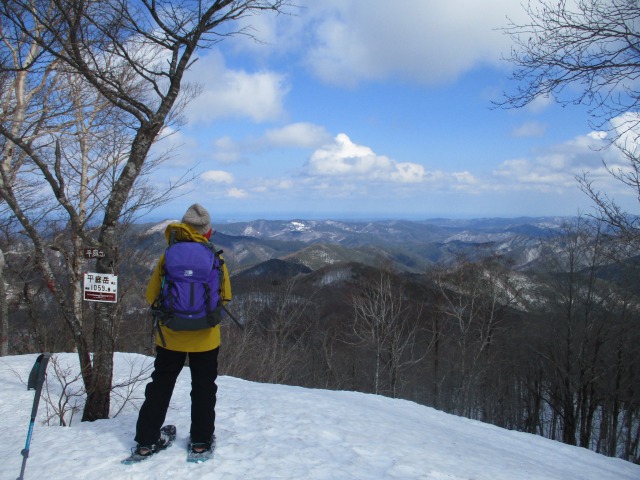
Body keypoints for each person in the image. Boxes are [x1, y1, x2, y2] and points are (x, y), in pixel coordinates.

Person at [132, 203, 232, 458]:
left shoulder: (169, 255)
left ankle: (146, 440)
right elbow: (226, 296)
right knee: (203, 387)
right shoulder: (214, 256)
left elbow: (151, 294)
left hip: (170, 335)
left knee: (161, 385)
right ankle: (200, 441)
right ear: (207, 231)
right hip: (205, 337)